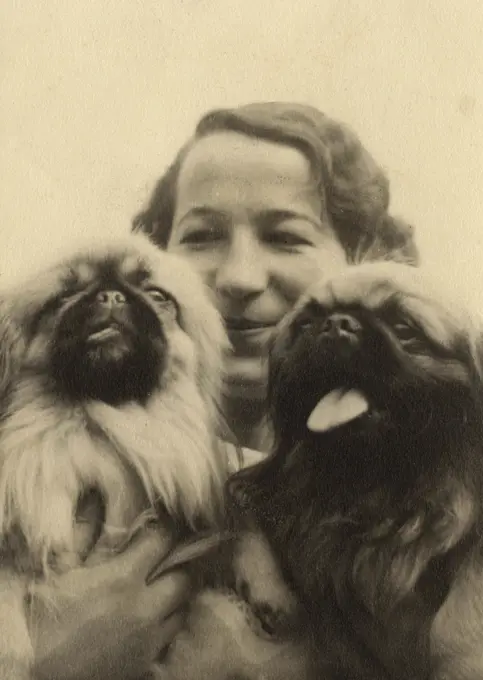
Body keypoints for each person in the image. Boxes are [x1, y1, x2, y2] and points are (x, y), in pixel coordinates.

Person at [29, 102, 419, 679]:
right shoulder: (48, 482)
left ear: (365, 263)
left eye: (285, 238)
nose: (238, 278)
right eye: (202, 236)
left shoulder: (426, 510)